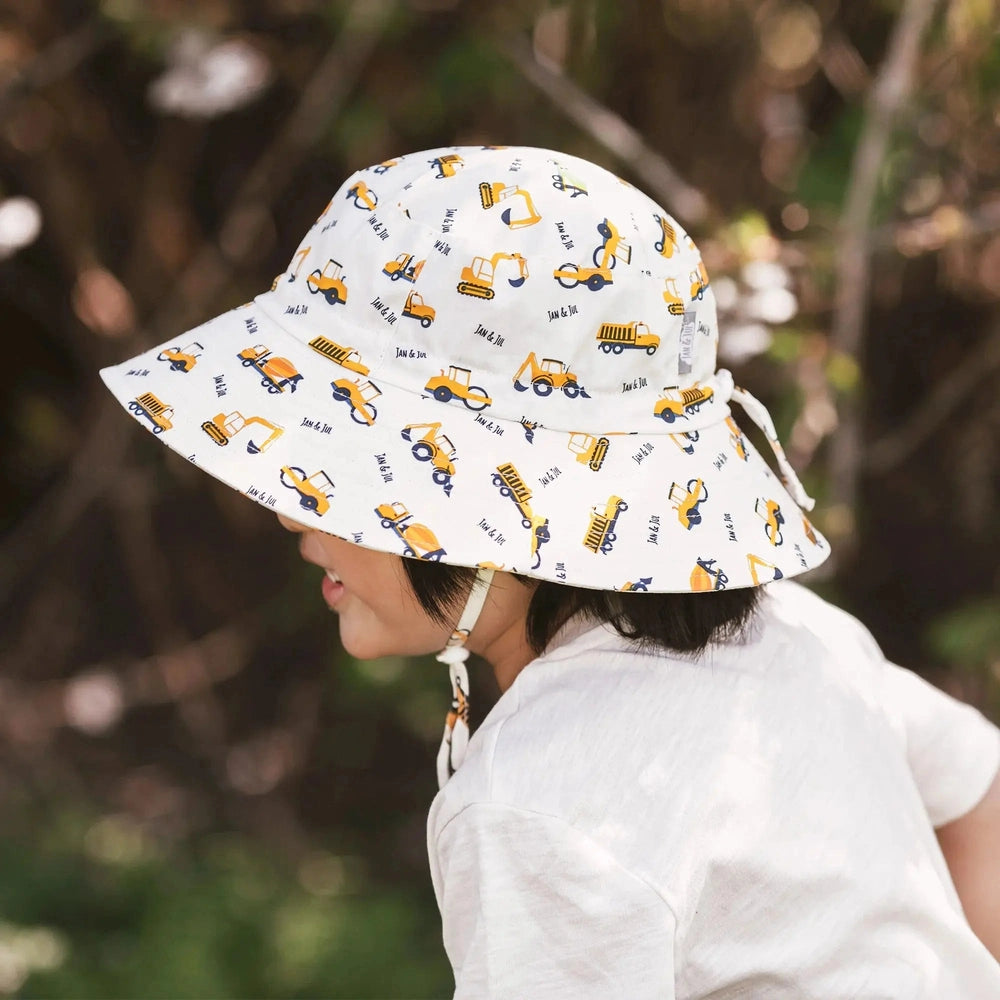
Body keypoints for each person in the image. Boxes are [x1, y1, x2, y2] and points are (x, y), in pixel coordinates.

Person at [101, 145, 1000, 996]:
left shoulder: (537, 805)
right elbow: (978, 791)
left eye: (343, 477)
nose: (295, 515)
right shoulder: (798, 635)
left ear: (492, 502)